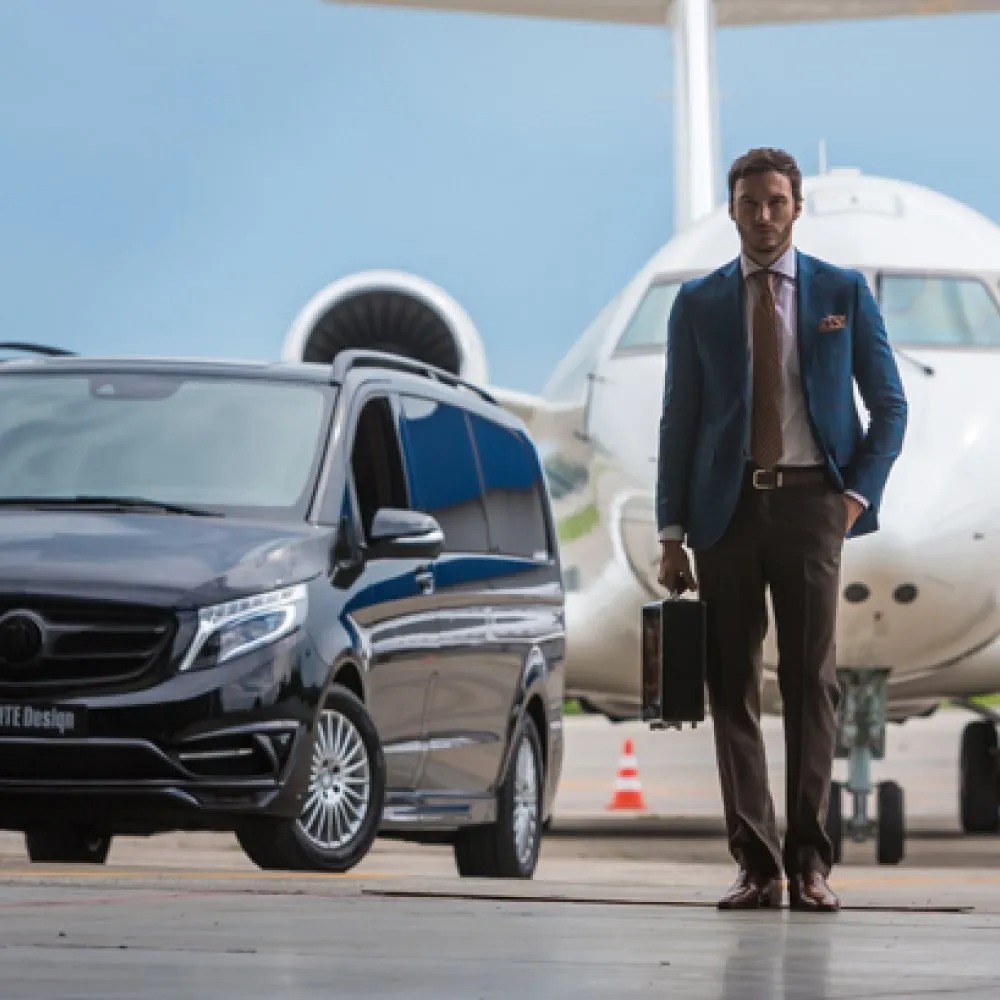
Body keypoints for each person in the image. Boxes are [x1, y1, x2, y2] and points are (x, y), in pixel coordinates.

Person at [655, 147, 907, 912]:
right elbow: (680, 421)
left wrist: (852, 499)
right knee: (729, 687)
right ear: (731, 210)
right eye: (748, 204)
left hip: (810, 509)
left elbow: (890, 407)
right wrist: (672, 532)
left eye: (775, 203)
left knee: (811, 684)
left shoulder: (841, 293)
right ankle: (757, 865)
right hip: (724, 515)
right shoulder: (697, 304)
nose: (762, 217)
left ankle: (810, 864)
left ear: (796, 207)